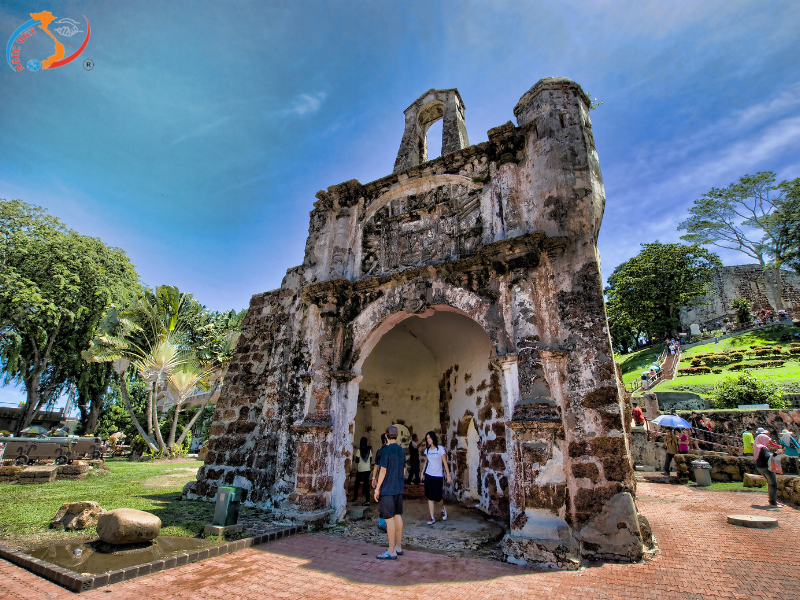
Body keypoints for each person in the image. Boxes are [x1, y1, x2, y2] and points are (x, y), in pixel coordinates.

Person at [374, 426, 406, 559]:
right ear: (397, 437)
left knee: (389, 518)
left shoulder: (386, 450)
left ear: (386, 436)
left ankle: (391, 550)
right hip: (398, 488)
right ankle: (398, 547)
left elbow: (383, 471)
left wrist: (377, 488)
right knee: (398, 515)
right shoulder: (402, 450)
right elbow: (404, 470)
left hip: (387, 488)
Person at [421, 431, 451, 525]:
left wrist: (448, 475)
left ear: (433, 438)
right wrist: (422, 473)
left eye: (429, 438)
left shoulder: (440, 449)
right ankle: (432, 517)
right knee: (430, 496)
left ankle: (442, 509)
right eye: (427, 438)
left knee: (438, 497)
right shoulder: (427, 450)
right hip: (428, 474)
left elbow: (444, 462)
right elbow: (426, 462)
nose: (428, 440)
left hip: (438, 475)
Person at [753, 430, 784, 508]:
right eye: (767, 440)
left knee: (770, 484)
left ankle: (773, 500)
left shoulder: (757, 446)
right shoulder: (763, 448)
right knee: (773, 484)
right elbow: (767, 457)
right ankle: (773, 503)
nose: (768, 442)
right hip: (765, 467)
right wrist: (776, 453)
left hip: (759, 467)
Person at [352, 437, 372, 505]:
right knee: (366, 484)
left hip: (360, 469)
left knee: (357, 484)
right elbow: (370, 460)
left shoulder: (359, 450)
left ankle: (355, 497)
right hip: (367, 470)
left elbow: (357, 461)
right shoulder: (369, 451)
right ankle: (367, 500)